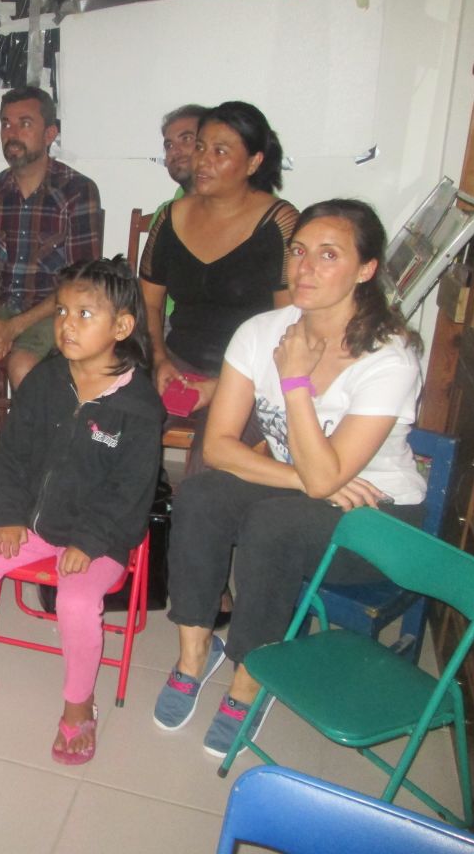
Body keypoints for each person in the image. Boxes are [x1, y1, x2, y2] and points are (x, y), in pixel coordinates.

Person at [151, 199, 427, 758]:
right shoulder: (261, 331)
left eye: (329, 255)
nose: (305, 267)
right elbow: (220, 446)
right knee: (201, 494)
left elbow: (327, 481)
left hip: (377, 517)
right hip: (307, 485)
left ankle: (249, 679)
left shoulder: (390, 358)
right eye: (299, 251)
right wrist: (306, 480)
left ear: (366, 269)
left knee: (272, 526)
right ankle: (193, 656)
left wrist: (295, 379)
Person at [0, 257, 164, 765]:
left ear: (121, 327)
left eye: (84, 314)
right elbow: (11, 454)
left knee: (75, 601)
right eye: (62, 311)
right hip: (31, 522)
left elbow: (130, 491)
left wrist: (89, 541)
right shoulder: (44, 381)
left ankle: (78, 704)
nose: (67, 324)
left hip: (99, 538)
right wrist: (9, 515)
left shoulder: (139, 407)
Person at [139, 100, 298, 468]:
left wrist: (222, 385)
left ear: (254, 162)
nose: (202, 161)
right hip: (178, 362)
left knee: (210, 458)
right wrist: (160, 360)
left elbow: (289, 324)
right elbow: (149, 303)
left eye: (220, 151)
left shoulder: (280, 223)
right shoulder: (171, 217)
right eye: (200, 147)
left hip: (251, 373)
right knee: (115, 425)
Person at [0, 85, 103, 390]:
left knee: (22, 365)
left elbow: (80, 283)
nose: (12, 133)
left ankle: (31, 425)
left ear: (50, 133)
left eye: (24, 123)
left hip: (54, 310)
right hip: (0, 309)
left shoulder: (77, 191)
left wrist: (13, 329)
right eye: (5, 123)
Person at [153, 103, 208, 222]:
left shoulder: (237, 209)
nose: (174, 151)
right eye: (169, 145)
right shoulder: (165, 214)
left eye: (186, 139)